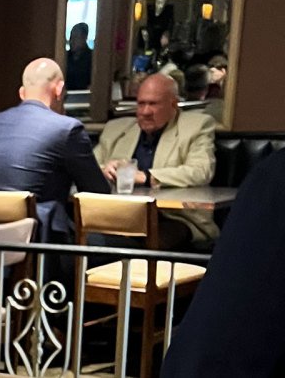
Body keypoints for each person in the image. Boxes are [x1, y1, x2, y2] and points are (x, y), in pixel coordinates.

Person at [161, 149, 285, 377]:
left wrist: (150, 176)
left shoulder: (275, 180)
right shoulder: (121, 135)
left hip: (184, 226)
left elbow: (200, 171)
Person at [0, 58, 110, 244]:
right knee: (126, 244)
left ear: (22, 93)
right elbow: (98, 193)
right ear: (59, 89)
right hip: (42, 245)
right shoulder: (67, 129)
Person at [94, 73, 218, 247]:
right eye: (141, 104)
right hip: (120, 214)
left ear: (173, 104)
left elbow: (200, 171)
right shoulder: (116, 129)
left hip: (173, 217)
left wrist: (147, 177)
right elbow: (89, 166)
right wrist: (105, 169)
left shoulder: (196, 126)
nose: (145, 112)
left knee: (148, 239)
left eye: (153, 104)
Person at [64, 23, 93, 90]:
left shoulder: (92, 58)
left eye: (76, 37)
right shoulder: (65, 57)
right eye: (71, 37)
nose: (72, 41)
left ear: (84, 38)